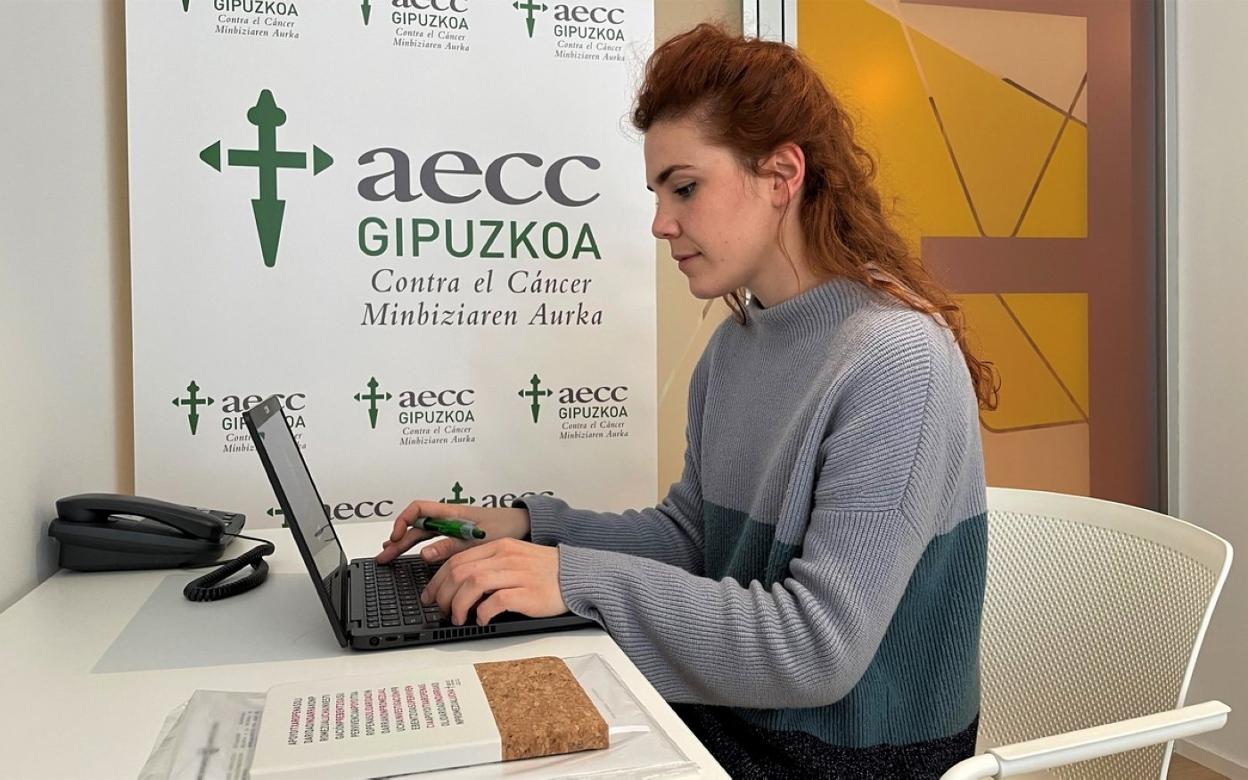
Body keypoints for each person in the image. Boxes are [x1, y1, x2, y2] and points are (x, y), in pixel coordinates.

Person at [376, 23, 996, 779]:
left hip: (848, 757)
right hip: (734, 714)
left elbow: (816, 650)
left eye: (685, 187)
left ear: (781, 175)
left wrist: (571, 576)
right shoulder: (736, 347)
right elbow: (695, 537)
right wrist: (528, 530)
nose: (661, 223)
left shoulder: (897, 361)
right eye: (658, 193)